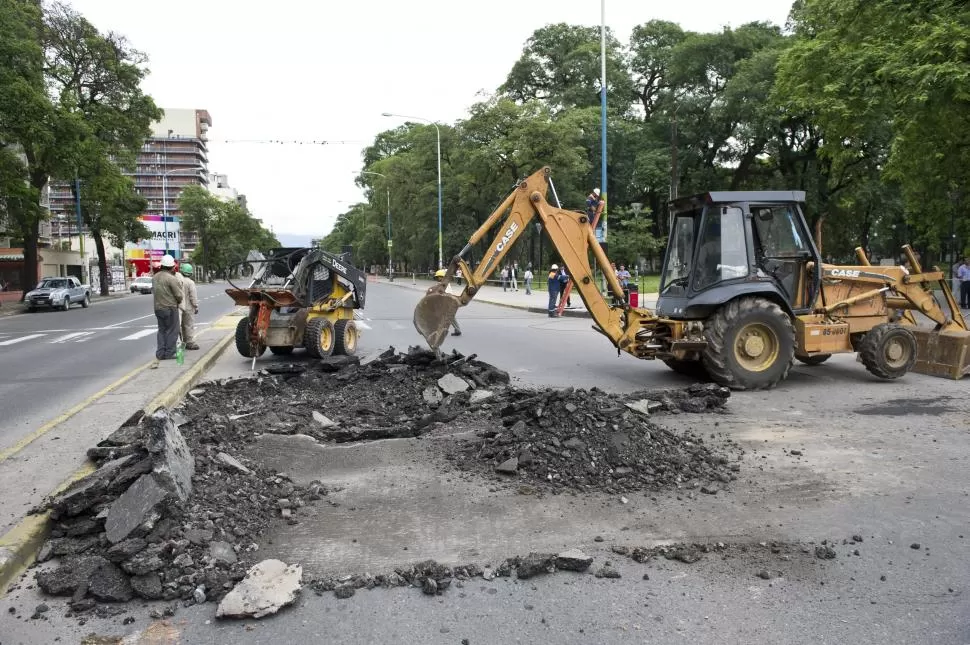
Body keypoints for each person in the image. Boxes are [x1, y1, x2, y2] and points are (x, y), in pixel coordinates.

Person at [152, 255, 183, 360]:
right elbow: (179, 295)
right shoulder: (171, 278)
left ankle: (160, 353)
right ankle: (169, 353)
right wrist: (178, 301)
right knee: (172, 330)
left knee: (161, 330)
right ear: (171, 267)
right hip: (170, 308)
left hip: (158, 308)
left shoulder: (155, 277)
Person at [177, 262, 200, 350]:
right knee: (189, 325)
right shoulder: (190, 282)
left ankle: (183, 341)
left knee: (181, 325)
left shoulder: (178, 280)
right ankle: (189, 342)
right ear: (190, 273)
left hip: (179, 306)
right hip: (189, 307)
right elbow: (193, 296)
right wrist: (196, 306)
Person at [434, 269, 461, 336]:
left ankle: (440, 331)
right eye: (437, 277)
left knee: (445, 317)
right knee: (451, 317)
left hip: (447, 303)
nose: (438, 278)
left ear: (442, 277)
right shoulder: (443, 284)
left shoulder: (444, 284)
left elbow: (446, 294)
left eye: (439, 277)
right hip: (447, 302)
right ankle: (457, 330)